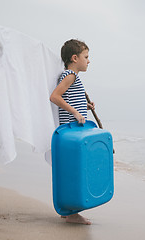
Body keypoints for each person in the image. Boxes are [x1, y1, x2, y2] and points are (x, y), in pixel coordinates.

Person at [50, 39, 94, 225]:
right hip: (72, 133)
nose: (89, 61)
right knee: (76, 170)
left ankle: (67, 210)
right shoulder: (70, 76)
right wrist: (76, 112)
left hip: (72, 132)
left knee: (71, 168)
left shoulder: (71, 76)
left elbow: (69, 98)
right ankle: (73, 214)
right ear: (75, 58)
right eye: (86, 57)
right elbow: (55, 97)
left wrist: (85, 105)